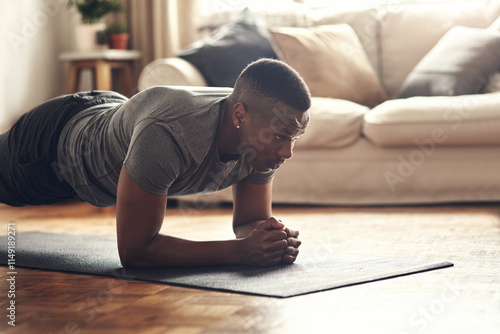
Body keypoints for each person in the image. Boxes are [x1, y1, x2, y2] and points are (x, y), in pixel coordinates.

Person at [0, 58, 311, 268]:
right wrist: (240, 252)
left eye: (294, 138)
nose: (287, 152)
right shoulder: (170, 131)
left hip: (111, 114)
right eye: (281, 137)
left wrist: (270, 238)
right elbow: (135, 251)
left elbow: (249, 221)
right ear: (240, 116)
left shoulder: (260, 142)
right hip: (51, 148)